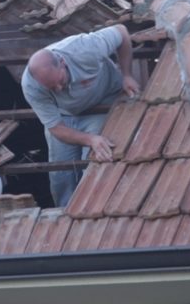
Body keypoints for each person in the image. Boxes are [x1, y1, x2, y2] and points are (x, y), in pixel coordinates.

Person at [21, 24, 139, 207]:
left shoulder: (85, 48)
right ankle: (65, 214)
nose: (59, 89)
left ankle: (92, 210)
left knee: (92, 162)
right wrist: (89, 138)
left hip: (101, 103)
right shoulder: (31, 86)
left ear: (62, 63)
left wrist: (127, 74)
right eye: (51, 88)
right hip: (64, 117)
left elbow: (122, 31)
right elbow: (56, 128)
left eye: (59, 82)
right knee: (61, 175)